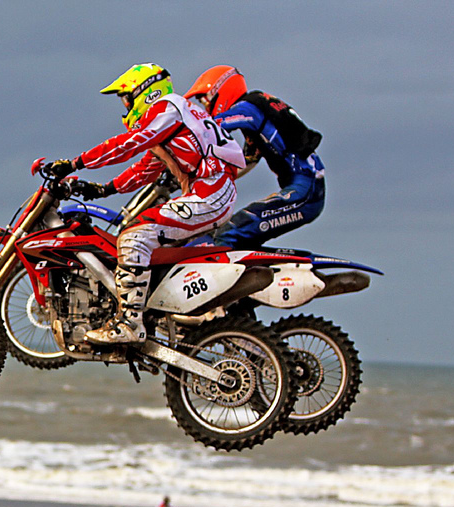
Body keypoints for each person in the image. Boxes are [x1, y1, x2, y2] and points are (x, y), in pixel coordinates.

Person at [43, 63, 245, 345]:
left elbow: (128, 144)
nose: (125, 107)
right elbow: (146, 168)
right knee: (144, 237)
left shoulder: (168, 108)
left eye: (126, 99)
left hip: (209, 193)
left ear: (146, 92)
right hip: (209, 192)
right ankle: (156, 312)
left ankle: (129, 323)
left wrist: (76, 163)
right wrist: (104, 189)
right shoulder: (178, 118)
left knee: (133, 237)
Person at [183, 65, 325, 249]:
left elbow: (212, 127)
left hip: (306, 189)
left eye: (205, 101)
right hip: (305, 186)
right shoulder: (257, 114)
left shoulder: (247, 109)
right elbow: (246, 161)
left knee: (230, 231)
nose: (206, 107)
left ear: (220, 90)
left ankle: (222, 265)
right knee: (239, 234)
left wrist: (177, 138)